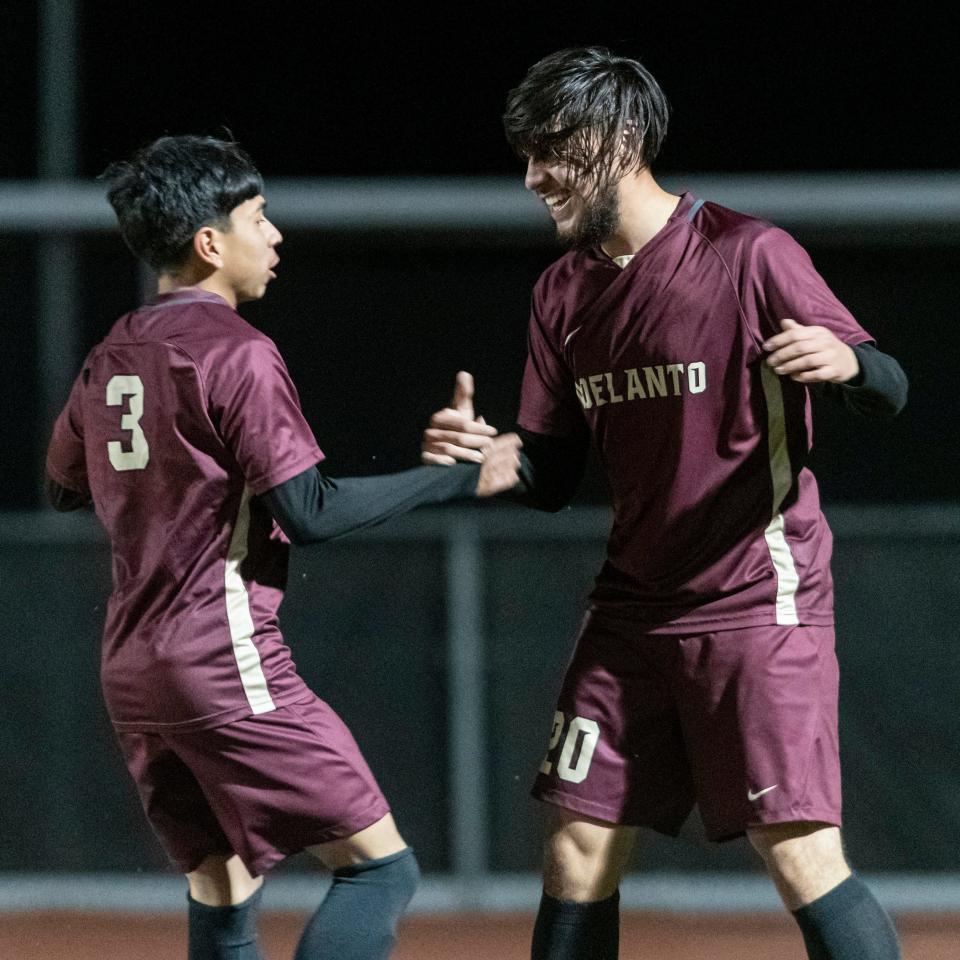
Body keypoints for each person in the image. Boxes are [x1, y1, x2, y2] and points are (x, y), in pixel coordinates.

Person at [422, 47, 908, 960]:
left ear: (621, 139)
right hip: (632, 610)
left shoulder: (748, 253)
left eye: (552, 150)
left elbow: (891, 383)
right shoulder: (561, 293)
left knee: (800, 854)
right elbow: (554, 474)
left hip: (756, 599)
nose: (534, 177)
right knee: (575, 849)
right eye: (526, 155)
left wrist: (851, 365)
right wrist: (492, 461)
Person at [44, 134, 520, 960]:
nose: (276, 236)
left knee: (222, 884)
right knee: (382, 872)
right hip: (220, 657)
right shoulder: (237, 350)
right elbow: (311, 511)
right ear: (209, 242)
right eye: (259, 219)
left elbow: (63, 485)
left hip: (131, 670)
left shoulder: (109, 355)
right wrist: (458, 480)